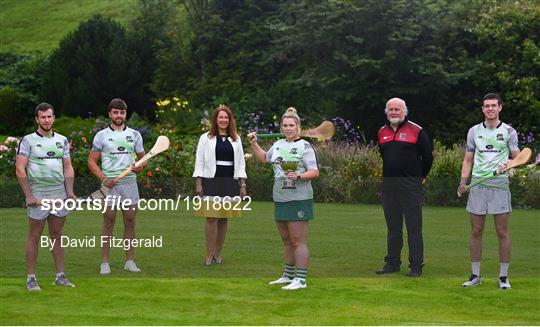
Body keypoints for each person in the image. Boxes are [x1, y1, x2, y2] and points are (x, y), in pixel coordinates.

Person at [248, 107, 319, 290]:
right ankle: (288, 276)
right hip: (280, 197)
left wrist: (299, 177)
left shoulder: (305, 146)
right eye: (285, 125)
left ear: (298, 126)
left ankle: (300, 280)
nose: (287, 128)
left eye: (291, 125)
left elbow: (314, 171)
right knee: (286, 240)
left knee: (298, 240)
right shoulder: (278, 144)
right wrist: (254, 143)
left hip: (299, 198)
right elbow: (265, 158)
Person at [457, 93, 520, 289]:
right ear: (483, 109)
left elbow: (519, 158)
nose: (490, 109)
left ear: (500, 107)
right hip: (478, 185)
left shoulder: (509, 131)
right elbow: (468, 160)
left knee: (502, 231)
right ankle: (475, 275)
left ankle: (503, 277)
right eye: (487, 106)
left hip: (500, 185)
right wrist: (463, 181)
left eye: (494, 105)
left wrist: (509, 165)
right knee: (476, 231)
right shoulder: (474, 131)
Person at [15, 103, 76, 291]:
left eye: (49, 117)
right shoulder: (28, 141)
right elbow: (20, 168)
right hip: (38, 193)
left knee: (57, 235)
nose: (46, 120)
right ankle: (31, 279)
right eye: (43, 117)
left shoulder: (62, 141)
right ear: (37, 119)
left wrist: (70, 192)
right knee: (35, 235)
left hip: (59, 193)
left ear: (54, 118)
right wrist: (29, 195)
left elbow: (67, 167)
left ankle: (60, 276)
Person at [376, 97, 433, 277]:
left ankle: (416, 266)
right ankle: (392, 263)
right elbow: (384, 156)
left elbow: (428, 158)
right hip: (389, 189)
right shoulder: (382, 132)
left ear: (404, 111)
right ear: (387, 112)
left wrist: (420, 177)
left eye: (397, 109)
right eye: (391, 109)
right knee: (393, 229)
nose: (394, 112)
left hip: (411, 188)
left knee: (414, 229)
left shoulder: (417, 131)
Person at [88, 98, 145, 274]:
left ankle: (130, 261)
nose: (119, 115)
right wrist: (104, 179)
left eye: (122, 112)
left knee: (130, 222)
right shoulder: (101, 136)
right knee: (108, 222)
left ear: (125, 114)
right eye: (115, 112)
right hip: (109, 185)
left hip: (129, 184)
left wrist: (139, 166)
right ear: (110, 114)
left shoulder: (135, 135)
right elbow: (91, 161)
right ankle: (104, 262)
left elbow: (143, 159)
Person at [193, 105, 247, 266]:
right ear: (215, 120)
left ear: (229, 120)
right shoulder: (206, 138)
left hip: (229, 181)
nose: (223, 120)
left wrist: (242, 184)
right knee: (211, 219)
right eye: (220, 117)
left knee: (224, 219)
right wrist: (198, 182)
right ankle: (208, 255)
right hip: (211, 180)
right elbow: (200, 161)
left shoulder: (236, 138)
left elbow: (241, 163)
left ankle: (218, 253)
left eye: (226, 117)